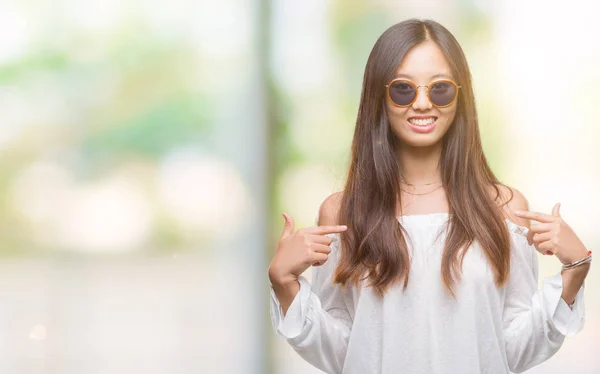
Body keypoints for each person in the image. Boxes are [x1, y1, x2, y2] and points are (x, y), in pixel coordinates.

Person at [267, 19, 591, 374]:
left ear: (461, 96)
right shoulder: (344, 212)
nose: (422, 104)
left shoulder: (505, 208)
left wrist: (574, 273)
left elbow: (509, 351)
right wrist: (285, 284)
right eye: (403, 89)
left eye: (440, 89)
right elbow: (344, 351)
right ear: (379, 95)